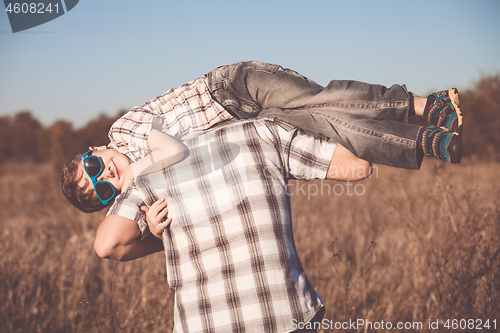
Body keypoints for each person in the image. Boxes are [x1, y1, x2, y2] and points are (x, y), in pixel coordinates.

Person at [61, 60, 464, 332]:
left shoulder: (125, 135)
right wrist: (153, 229)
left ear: (94, 151)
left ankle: (426, 105)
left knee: (319, 102)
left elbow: (171, 150)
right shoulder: (136, 183)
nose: (107, 176)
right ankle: (423, 141)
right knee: (330, 123)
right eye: (101, 191)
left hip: (230, 89)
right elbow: (109, 242)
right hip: (250, 122)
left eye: (94, 169)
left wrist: (138, 190)